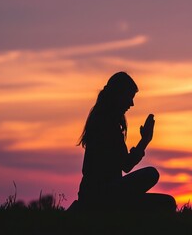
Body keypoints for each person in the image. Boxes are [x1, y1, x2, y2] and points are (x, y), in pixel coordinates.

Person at [69, 71, 176, 213]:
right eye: (129, 97)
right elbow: (126, 165)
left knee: (167, 202)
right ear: (118, 96)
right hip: (103, 197)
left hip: (101, 196)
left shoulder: (104, 121)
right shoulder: (106, 125)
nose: (131, 104)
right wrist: (145, 141)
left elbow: (124, 165)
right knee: (152, 174)